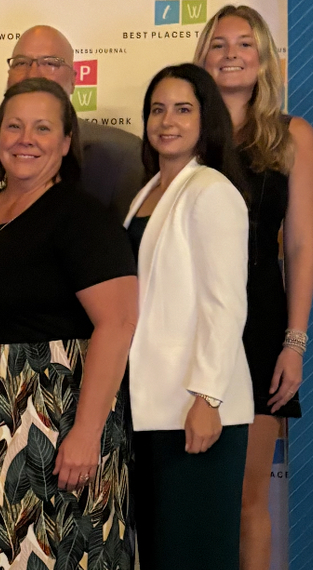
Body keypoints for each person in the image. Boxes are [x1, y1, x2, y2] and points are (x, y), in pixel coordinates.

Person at [0, 78, 139, 570]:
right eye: (14, 126)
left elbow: (118, 322)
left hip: (56, 420)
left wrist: (86, 433)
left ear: (66, 142)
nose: (26, 139)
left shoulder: (82, 217)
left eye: (43, 128)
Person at [193, 5, 313, 570]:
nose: (231, 54)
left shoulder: (293, 136)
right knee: (192, 496)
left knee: (248, 500)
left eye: (245, 44)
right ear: (202, 58)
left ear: (265, 58)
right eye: (219, 44)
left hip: (260, 324)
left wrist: (294, 343)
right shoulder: (182, 130)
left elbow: (300, 248)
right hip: (189, 322)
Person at [123, 64, 253, 570]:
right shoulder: (148, 191)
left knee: (195, 554)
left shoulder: (211, 190)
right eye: (157, 110)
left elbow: (226, 304)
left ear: (206, 119)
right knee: (161, 552)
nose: (167, 121)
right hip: (152, 407)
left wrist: (207, 397)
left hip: (196, 410)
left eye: (182, 109)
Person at [0, 25, 144, 221]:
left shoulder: (124, 156)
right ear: (8, 76)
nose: (33, 74)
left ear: (74, 80)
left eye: (51, 63)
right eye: (21, 63)